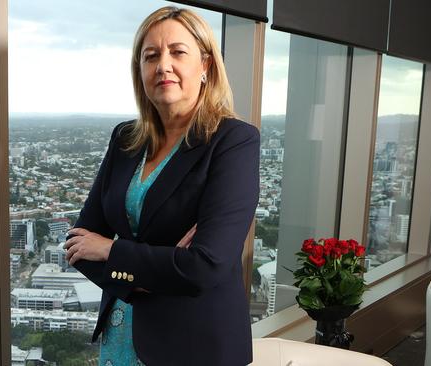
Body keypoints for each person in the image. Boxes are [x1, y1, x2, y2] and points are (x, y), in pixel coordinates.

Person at [64, 6, 259, 366]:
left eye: (178, 52)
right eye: (150, 55)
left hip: (191, 347)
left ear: (206, 66)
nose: (162, 65)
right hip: (121, 336)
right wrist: (165, 269)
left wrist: (111, 251)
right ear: (139, 71)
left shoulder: (233, 141)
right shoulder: (126, 138)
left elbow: (206, 267)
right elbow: (79, 243)